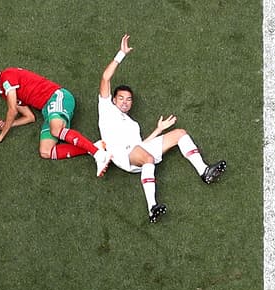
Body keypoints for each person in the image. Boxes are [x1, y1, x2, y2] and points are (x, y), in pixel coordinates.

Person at [96, 35, 226, 223]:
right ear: (114, 100)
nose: (125, 102)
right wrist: (121, 54)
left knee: (180, 134)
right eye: (121, 98)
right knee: (147, 158)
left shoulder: (133, 124)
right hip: (122, 156)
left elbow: (141, 145)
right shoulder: (106, 108)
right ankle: (152, 207)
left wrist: (159, 129)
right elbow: (106, 77)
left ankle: (204, 171)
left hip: (137, 153)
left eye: (129, 99)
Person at [0, 62, 111, 174]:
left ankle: (99, 155)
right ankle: (94, 147)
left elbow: (12, 110)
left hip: (57, 97)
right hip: (48, 110)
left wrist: (1, 136)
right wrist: (8, 124)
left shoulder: (7, 76)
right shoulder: (5, 92)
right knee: (45, 151)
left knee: (56, 130)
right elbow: (29, 117)